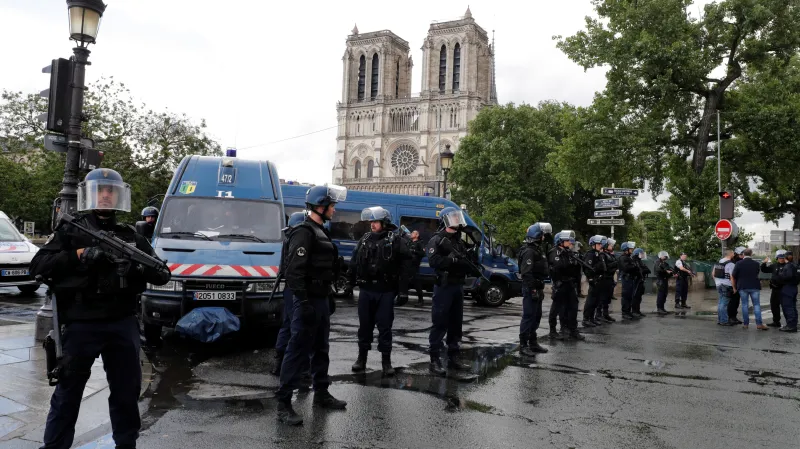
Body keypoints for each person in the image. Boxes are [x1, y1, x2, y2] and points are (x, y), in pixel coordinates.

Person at [29, 168, 171, 449]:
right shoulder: (71, 230)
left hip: (121, 322)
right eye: (100, 190)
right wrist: (78, 255)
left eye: (110, 191)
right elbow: (38, 266)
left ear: (118, 196)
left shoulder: (130, 236)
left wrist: (135, 267)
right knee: (67, 393)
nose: (105, 195)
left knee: (126, 393)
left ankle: (126, 444)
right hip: (80, 323)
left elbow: (161, 274)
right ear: (90, 195)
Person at [276, 184, 348, 426]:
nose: (334, 210)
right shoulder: (304, 232)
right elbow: (294, 272)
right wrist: (304, 302)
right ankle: (284, 403)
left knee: (321, 348)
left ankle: (322, 393)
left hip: (320, 298)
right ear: (320, 206)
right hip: (307, 299)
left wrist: (328, 296)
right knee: (297, 350)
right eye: (332, 206)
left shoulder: (320, 231)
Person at [349, 206, 407, 376]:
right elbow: (354, 261)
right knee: (364, 327)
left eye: (375, 221)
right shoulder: (365, 239)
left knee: (385, 327)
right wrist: (350, 282)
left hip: (385, 291)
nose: (372, 224)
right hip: (366, 290)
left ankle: (386, 362)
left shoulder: (396, 241)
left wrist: (403, 291)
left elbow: (405, 268)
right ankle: (361, 359)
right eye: (371, 221)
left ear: (385, 223)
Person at [426, 207, 479, 375]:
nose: (456, 220)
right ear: (445, 220)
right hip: (444, 286)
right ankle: (435, 359)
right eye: (453, 217)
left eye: (457, 217)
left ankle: (453, 357)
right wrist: (453, 261)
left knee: (456, 324)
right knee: (440, 322)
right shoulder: (437, 239)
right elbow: (434, 261)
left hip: (457, 286)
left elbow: (466, 260)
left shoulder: (458, 240)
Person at [271, 211, 308, 377]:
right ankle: (300, 367)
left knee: (286, 325)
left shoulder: (288, 238)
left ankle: (279, 363)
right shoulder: (298, 240)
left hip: (288, 288)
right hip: (296, 288)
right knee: (298, 327)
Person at [517, 222, 552, 355]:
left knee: (536, 316)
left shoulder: (537, 250)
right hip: (531, 288)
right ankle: (523, 345)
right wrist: (532, 289)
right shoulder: (529, 251)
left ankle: (532, 342)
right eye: (542, 235)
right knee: (528, 316)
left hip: (538, 287)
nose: (543, 237)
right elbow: (526, 273)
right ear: (537, 236)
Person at [548, 231, 584, 341]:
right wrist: (569, 262)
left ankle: (573, 330)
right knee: (556, 308)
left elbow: (574, 269)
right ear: (560, 241)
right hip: (560, 284)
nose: (570, 243)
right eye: (567, 240)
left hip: (569, 283)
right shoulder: (554, 252)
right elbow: (558, 266)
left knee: (573, 307)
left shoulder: (569, 252)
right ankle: (553, 331)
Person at [731, 248, 768, 330]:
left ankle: (746, 324)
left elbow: (733, 275)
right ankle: (759, 324)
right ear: (751, 254)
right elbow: (757, 273)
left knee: (744, 305)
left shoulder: (738, 263)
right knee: (756, 305)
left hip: (742, 286)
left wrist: (734, 287)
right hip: (754, 286)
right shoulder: (756, 264)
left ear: (743, 254)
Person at [581, 235, 607, 328]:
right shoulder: (590, 254)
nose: (600, 245)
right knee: (591, 301)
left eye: (600, 244)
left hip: (600, 279)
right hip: (594, 280)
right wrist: (591, 278)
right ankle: (586, 319)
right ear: (593, 245)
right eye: (598, 244)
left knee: (596, 301)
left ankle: (592, 318)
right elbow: (587, 268)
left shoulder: (599, 254)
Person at [761, 250, 787, 328]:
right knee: (774, 305)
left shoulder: (788, 266)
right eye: (780, 258)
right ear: (777, 258)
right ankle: (776, 322)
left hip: (785, 289)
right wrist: (764, 263)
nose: (781, 259)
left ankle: (789, 323)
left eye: (783, 258)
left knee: (786, 306)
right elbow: (764, 270)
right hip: (775, 289)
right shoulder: (774, 265)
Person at [776, 250, 799, 332]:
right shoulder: (795, 265)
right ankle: (794, 324)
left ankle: (791, 326)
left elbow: (788, 276)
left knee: (788, 307)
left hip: (788, 288)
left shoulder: (788, 266)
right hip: (794, 287)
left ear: (785, 257)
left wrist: (780, 274)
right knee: (792, 307)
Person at [712, 249, 736, 326]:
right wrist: (734, 287)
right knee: (724, 304)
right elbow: (732, 277)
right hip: (727, 285)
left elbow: (713, 274)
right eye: (733, 253)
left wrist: (717, 282)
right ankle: (724, 321)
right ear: (731, 254)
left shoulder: (718, 263)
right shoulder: (731, 264)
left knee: (720, 303)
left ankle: (720, 320)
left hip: (718, 284)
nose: (734, 254)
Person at [598, 238, 618, 322]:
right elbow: (605, 268)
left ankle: (605, 314)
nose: (611, 246)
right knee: (602, 298)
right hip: (604, 279)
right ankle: (599, 315)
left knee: (607, 298)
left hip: (609, 278)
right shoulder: (602, 255)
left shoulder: (609, 255)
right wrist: (615, 264)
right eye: (610, 245)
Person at [618, 242, 639, 320]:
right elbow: (626, 268)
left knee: (630, 296)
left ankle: (628, 311)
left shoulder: (629, 257)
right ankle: (625, 312)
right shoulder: (623, 257)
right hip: (626, 279)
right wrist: (634, 266)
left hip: (630, 279)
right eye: (630, 248)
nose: (632, 250)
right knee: (626, 296)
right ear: (626, 249)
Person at [726, 247, 746, 325]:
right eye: (743, 254)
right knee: (732, 302)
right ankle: (731, 317)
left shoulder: (739, 261)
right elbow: (733, 275)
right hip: (732, 283)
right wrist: (734, 286)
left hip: (738, 283)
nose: (744, 255)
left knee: (736, 301)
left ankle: (734, 317)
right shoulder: (734, 262)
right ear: (738, 254)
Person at [631, 248, 651, 317]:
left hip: (640, 280)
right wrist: (643, 270)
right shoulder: (634, 260)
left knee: (639, 296)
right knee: (635, 296)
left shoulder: (639, 261)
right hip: (636, 280)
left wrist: (643, 270)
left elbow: (647, 269)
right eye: (641, 253)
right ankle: (634, 311)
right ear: (637, 254)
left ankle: (638, 311)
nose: (642, 255)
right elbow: (638, 270)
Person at [654, 251, 675, 315]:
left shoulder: (665, 263)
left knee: (664, 294)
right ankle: (659, 308)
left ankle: (662, 308)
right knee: (661, 294)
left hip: (665, 280)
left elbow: (669, 270)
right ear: (661, 256)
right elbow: (658, 270)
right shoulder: (657, 262)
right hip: (660, 280)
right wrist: (666, 271)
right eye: (664, 256)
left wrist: (672, 273)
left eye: (666, 256)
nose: (665, 257)